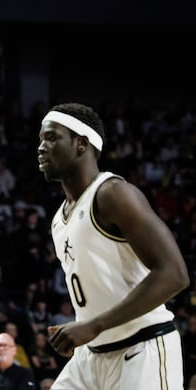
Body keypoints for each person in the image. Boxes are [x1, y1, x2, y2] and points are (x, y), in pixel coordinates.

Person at [37, 102, 189, 389]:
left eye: (52, 138)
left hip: (143, 348)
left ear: (81, 144)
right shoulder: (59, 218)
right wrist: (85, 325)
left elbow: (174, 274)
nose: (41, 147)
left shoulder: (113, 194)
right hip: (91, 356)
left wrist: (94, 325)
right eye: (41, 139)